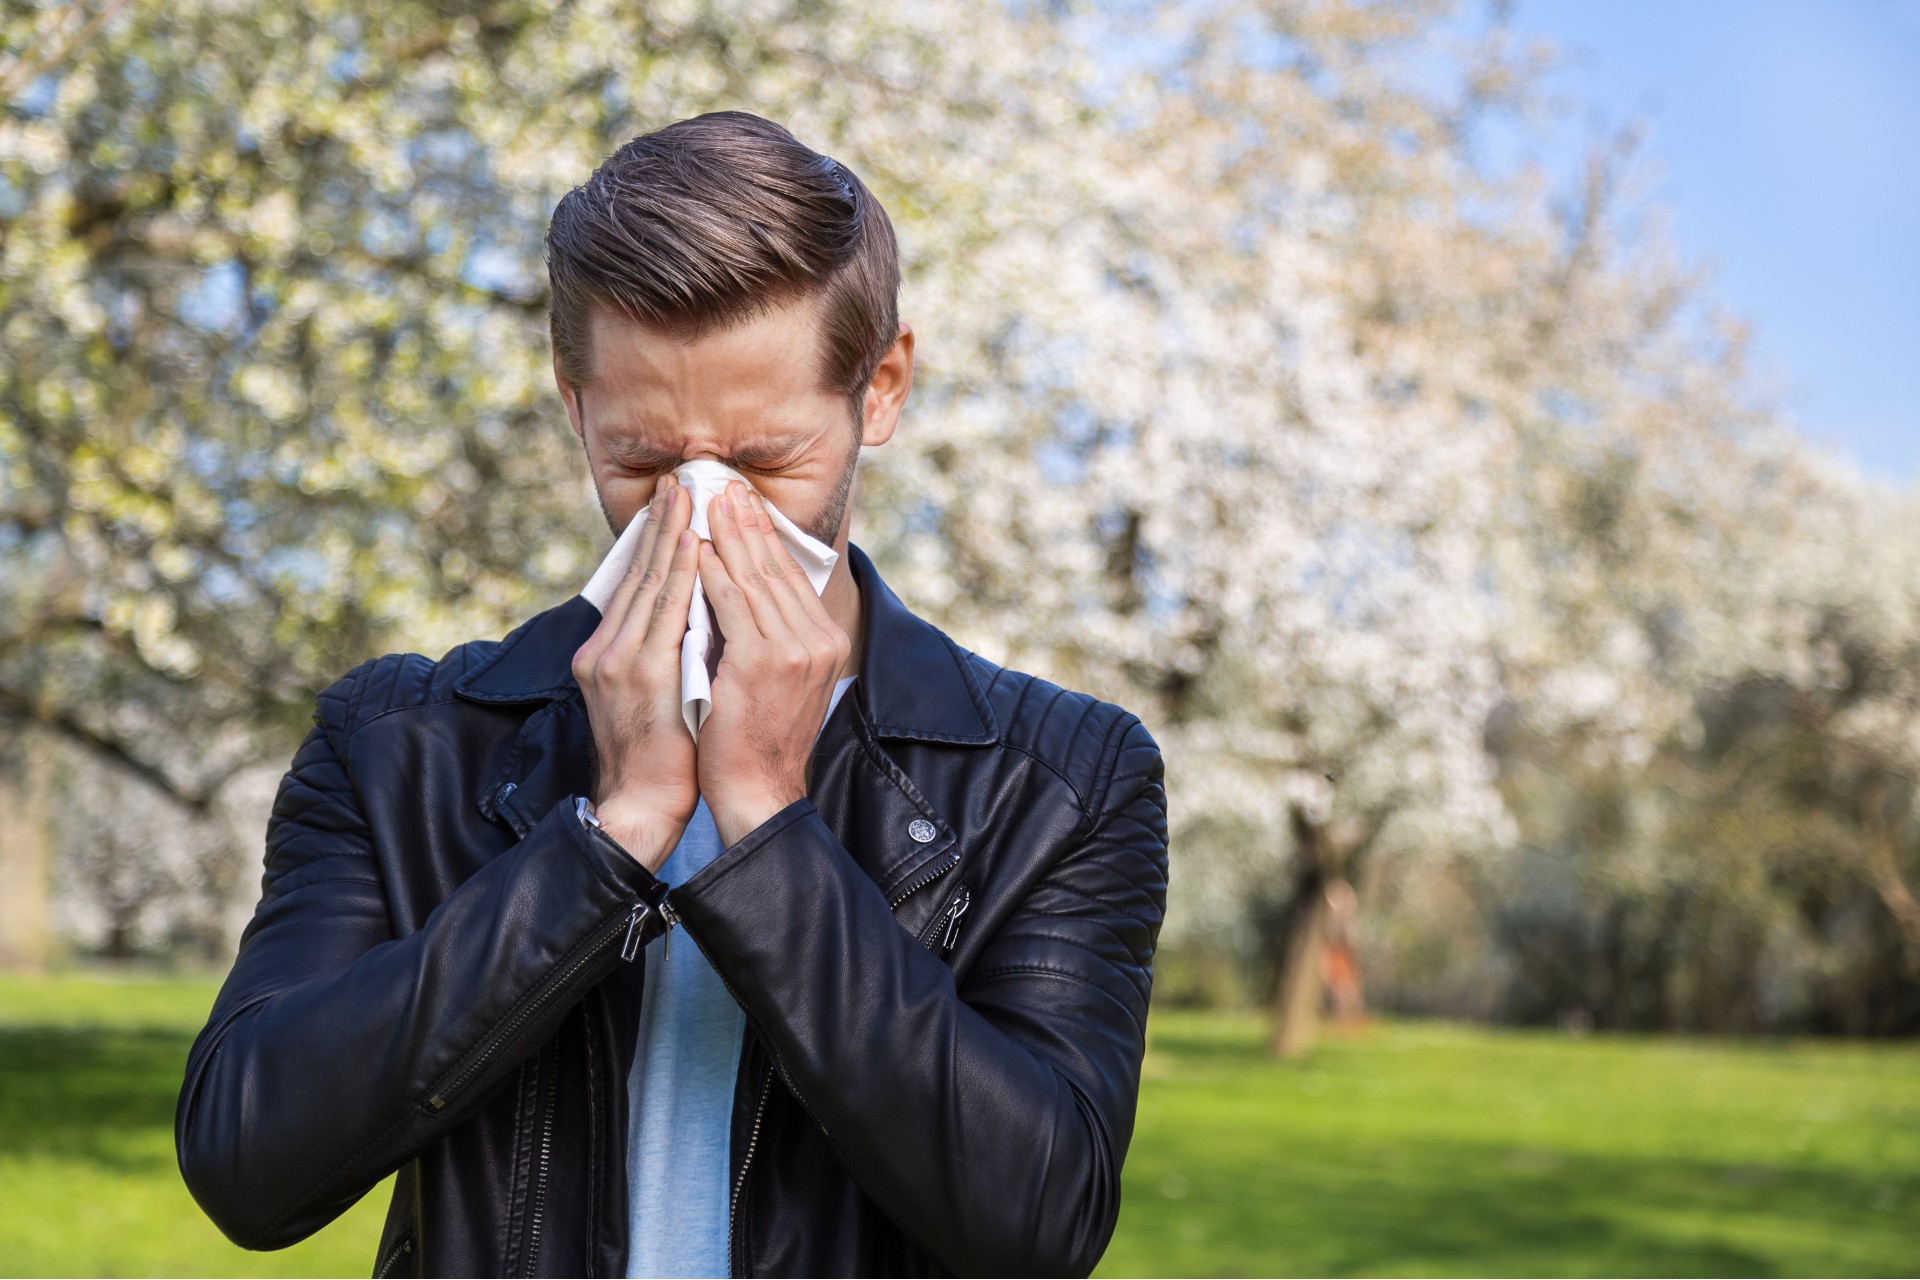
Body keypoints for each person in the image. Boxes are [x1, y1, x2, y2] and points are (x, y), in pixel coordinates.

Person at [176, 111, 1168, 1279]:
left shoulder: (1060, 779)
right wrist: (609, 839)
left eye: (762, 462)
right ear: (574, 403)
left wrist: (765, 818)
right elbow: (248, 1158)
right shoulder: (404, 744)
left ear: (881, 388)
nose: (702, 512)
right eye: (644, 461)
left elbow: (1038, 1222)